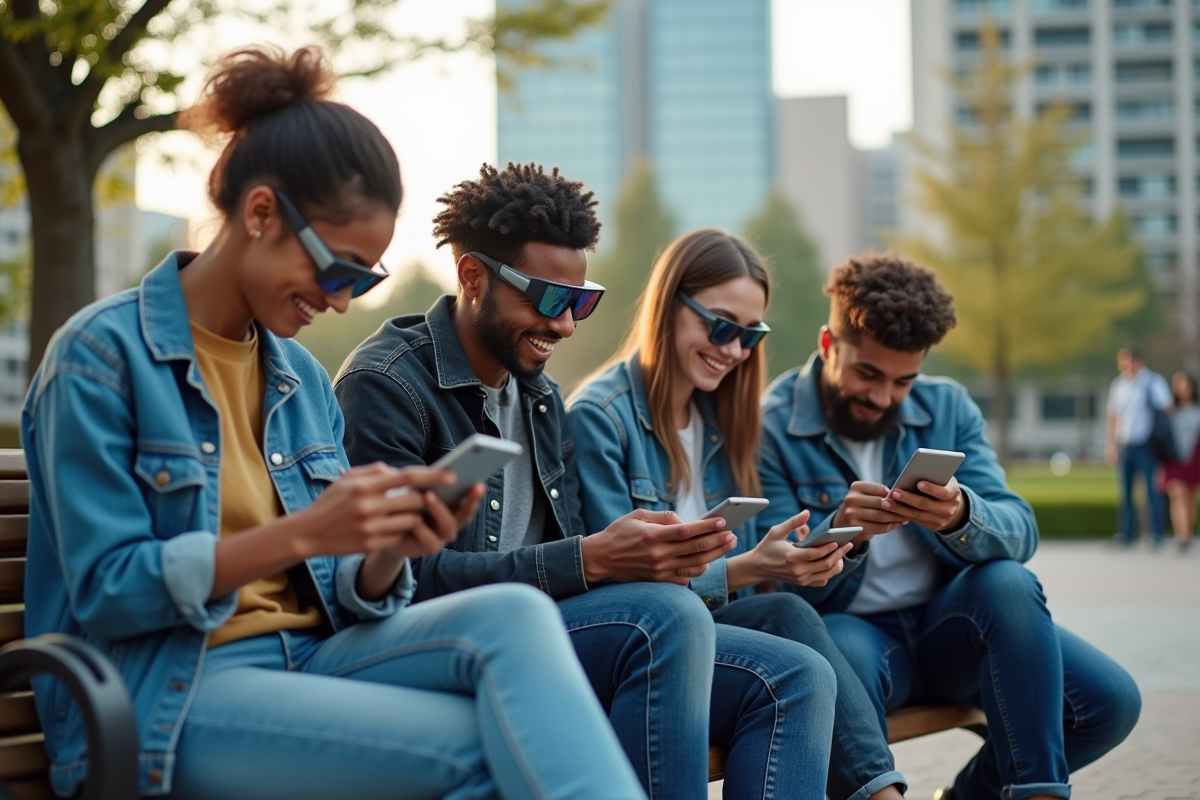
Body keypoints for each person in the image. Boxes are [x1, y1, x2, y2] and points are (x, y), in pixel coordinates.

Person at [22, 46, 646, 800]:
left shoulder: (297, 376)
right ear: (260, 215)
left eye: (367, 278)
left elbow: (348, 591)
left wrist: (387, 548)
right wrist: (307, 532)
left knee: (514, 617)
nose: (345, 302)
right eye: (340, 270)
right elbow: (112, 591)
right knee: (498, 755)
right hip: (171, 692)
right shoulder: (101, 358)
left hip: (313, 660)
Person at [334, 164, 837, 800]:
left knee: (798, 677)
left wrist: (641, 554)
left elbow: (577, 564)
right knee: (667, 617)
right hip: (434, 641)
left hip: (540, 630)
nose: (566, 324)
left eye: (580, 301)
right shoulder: (388, 385)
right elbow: (395, 585)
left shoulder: (540, 400)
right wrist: (592, 557)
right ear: (472, 277)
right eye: (548, 299)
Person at [758, 254, 1141, 800]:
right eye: (867, 373)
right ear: (827, 345)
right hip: (853, 633)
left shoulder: (947, 405)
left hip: (952, 630)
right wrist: (843, 534)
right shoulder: (769, 424)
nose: (883, 396)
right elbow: (773, 586)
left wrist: (962, 515)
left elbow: (1020, 529)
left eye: (902, 380)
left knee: (1105, 699)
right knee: (835, 652)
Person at [568, 228, 908, 800]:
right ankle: (883, 795)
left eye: (749, 336)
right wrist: (748, 568)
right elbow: (626, 588)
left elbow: (763, 591)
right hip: (645, 651)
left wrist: (825, 545)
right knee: (795, 660)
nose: (733, 350)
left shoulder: (728, 421)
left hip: (721, 637)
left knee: (789, 621)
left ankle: (883, 795)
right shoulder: (601, 417)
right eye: (720, 326)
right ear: (670, 306)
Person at [1105, 345, 1173, 545]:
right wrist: (1111, 445)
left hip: (1147, 445)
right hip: (1125, 444)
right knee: (1125, 492)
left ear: (1137, 361)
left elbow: (1167, 409)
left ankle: (1156, 533)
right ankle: (1126, 534)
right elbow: (1113, 416)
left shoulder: (1153, 382)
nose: (1123, 366)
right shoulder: (1118, 385)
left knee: (1152, 491)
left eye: (1126, 361)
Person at [1160, 371, 1200, 552]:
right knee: (1178, 495)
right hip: (1173, 458)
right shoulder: (1169, 411)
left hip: (1194, 458)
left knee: (1190, 497)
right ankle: (1182, 537)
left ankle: (1187, 533)